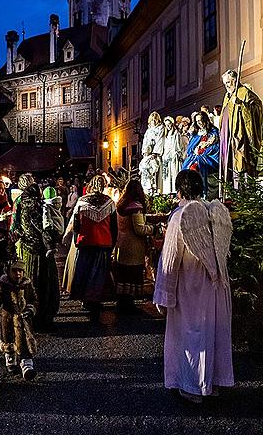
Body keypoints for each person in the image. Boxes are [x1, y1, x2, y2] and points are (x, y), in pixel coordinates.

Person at [153, 169, 234, 403]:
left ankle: (192, 387)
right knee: (213, 333)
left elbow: (170, 259)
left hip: (190, 287)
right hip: (216, 285)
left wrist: (163, 295)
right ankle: (214, 382)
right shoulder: (215, 212)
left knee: (192, 336)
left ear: (179, 191)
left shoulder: (181, 216)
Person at [62, 175, 117, 321]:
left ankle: (85, 299)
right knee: (99, 273)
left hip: (85, 241)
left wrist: (76, 239)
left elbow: (76, 224)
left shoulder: (82, 201)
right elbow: (114, 226)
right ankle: (96, 300)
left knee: (84, 270)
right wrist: (113, 243)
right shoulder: (109, 203)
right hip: (104, 241)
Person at [10, 182, 60, 332]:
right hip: (41, 253)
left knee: (29, 285)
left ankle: (29, 318)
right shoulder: (39, 206)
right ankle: (44, 319)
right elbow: (45, 229)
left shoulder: (19, 205)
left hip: (26, 251)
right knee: (45, 285)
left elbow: (15, 227)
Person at [113, 180, 155, 314]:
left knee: (124, 274)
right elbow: (139, 229)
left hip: (122, 244)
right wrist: (153, 229)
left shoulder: (120, 205)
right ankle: (128, 303)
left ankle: (122, 301)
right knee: (131, 274)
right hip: (133, 246)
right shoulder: (135, 207)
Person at [0, 259, 38, 380]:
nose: (18, 274)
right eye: (15, 271)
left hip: (23, 320)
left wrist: (30, 309)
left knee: (24, 341)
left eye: (21, 271)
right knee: (8, 340)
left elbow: (34, 299)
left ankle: (27, 366)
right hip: (8, 319)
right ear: (8, 271)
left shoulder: (27, 285)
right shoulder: (4, 285)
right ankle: (11, 361)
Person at [220, 69, 263, 184]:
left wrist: (242, 105)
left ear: (235, 80)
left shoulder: (244, 92)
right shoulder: (227, 95)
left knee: (241, 163)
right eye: (225, 84)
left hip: (240, 136)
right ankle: (231, 191)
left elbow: (257, 108)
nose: (227, 86)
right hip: (228, 137)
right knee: (230, 163)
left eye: (228, 82)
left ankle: (243, 191)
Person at [182, 111, 219, 198]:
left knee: (197, 167)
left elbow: (215, 147)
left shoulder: (213, 131)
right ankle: (189, 193)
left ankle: (201, 194)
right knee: (185, 168)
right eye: (198, 121)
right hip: (195, 157)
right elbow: (190, 149)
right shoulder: (196, 134)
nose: (200, 123)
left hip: (209, 158)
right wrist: (195, 151)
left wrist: (204, 150)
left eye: (202, 120)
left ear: (205, 120)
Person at [141, 112, 165, 192]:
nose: (153, 122)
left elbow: (160, 140)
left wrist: (155, 153)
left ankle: (154, 189)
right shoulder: (148, 131)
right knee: (145, 166)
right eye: (152, 120)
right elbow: (145, 141)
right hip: (148, 153)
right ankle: (147, 188)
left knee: (154, 169)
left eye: (155, 120)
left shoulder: (161, 128)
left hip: (156, 154)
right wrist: (145, 151)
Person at [162, 116, 183, 195]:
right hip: (167, 156)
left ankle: (175, 190)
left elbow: (178, 145)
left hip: (174, 156)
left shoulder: (176, 133)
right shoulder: (166, 135)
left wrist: (177, 153)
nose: (168, 126)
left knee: (174, 173)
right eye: (166, 125)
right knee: (167, 175)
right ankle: (168, 191)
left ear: (172, 124)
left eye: (169, 124)